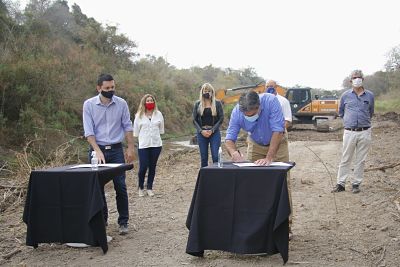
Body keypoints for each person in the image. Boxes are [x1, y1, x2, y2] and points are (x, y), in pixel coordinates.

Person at [83, 73, 134, 235]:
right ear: (99, 88)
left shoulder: (121, 104)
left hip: (117, 150)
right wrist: (97, 151)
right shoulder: (89, 105)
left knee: (121, 186)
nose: (110, 90)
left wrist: (131, 147)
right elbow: (89, 132)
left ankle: (123, 222)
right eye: (107, 88)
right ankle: (102, 220)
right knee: (97, 187)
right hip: (97, 151)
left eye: (112, 87)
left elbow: (127, 126)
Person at [332, 70, 374, 194]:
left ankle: (356, 183)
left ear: (363, 79)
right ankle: (341, 183)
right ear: (351, 80)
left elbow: (370, 111)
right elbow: (341, 112)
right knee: (346, 158)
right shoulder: (345, 95)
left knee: (361, 159)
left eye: (359, 77)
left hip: (364, 131)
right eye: (355, 77)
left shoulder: (370, 95)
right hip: (349, 131)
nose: (357, 79)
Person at [266, 80, 294, 239]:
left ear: (276, 88)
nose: (269, 88)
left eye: (272, 85)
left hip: (280, 139)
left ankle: (287, 225)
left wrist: (276, 128)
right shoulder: (260, 100)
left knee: (284, 182)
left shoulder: (283, 101)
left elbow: (287, 122)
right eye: (267, 86)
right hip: (262, 140)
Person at [133, 94, 164, 197]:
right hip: (143, 145)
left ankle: (149, 187)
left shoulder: (158, 114)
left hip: (156, 144)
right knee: (143, 167)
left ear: (154, 102)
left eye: (151, 100)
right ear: (144, 103)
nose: (150, 102)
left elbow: (161, 130)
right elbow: (136, 132)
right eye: (148, 101)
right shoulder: (139, 116)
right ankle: (141, 187)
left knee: (152, 166)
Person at [193, 83, 224, 167]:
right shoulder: (197, 104)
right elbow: (194, 120)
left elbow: (221, 118)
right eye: (205, 91)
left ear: (212, 92)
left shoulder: (217, 103)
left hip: (214, 132)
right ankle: (205, 177)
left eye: (208, 91)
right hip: (201, 133)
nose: (206, 92)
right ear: (202, 92)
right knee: (203, 158)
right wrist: (201, 131)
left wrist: (212, 130)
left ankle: (217, 175)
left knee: (215, 156)